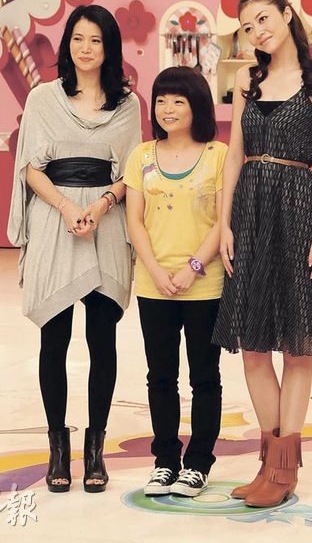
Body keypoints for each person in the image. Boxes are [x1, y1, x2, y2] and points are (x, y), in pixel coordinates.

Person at [212, 0, 312, 507]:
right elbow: (233, 155)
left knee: (297, 343)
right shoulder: (246, 79)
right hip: (250, 210)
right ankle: (269, 463)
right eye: (248, 27)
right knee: (252, 344)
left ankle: (284, 472)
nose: (257, 32)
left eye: (263, 19)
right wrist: (224, 224)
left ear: (288, 14)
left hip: (298, 208)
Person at [7, 4, 141, 493]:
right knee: (55, 338)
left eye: (96, 40)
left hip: (106, 221)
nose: (86, 49)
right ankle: (58, 449)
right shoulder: (43, 98)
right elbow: (31, 168)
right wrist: (66, 207)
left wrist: (102, 205)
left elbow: (131, 171)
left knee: (103, 341)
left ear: (109, 48)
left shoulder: (128, 105)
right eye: (78, 39)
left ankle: (96, 449)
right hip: (54, 218)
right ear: (67, 45)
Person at [124, 66, 226, 497]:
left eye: (178, 101)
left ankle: (198, 463)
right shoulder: (141, 156)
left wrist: (192, 269)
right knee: (160, 376)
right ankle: (165, 461)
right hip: (154, 285)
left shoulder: (218, 155)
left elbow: (223, 221)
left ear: (196, 106)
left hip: (204, 284)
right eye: (161, 100)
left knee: (204, 376)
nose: (167, 109)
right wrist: (155, 270)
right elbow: (134, 220)